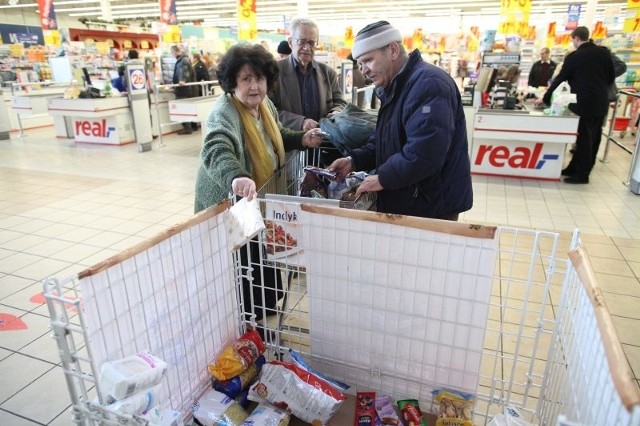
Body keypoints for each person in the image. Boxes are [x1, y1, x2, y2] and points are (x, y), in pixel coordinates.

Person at [194, 44, 324, 321]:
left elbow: (276, 133)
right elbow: (217, 147)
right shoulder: (225, 113)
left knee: (261, 257)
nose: (255, 86)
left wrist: (301, 139)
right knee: (244, 267)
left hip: (256, 200)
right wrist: (236, 175)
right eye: (246, 79)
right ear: (232, 83)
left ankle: (264, 308)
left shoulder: (264, 106)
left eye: (260, 78)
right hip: (231, 205)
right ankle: (249, 321)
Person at [327, 21, 472, 221]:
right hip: (411, 198)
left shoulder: (428, 84)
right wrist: (354, 161)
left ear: (393, 50)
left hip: (430, 206)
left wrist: (382, 178)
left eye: (368, 60)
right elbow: (384, 141)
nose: (364, 70)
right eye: (360, 64)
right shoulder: (396, 87)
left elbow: (425, 152)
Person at [535, 26, 614, 184]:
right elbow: (611, 76)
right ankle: (575, 167)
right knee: (594, 138)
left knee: (583, 139)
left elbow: (560, 79)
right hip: (600, 102)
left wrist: (546, 97)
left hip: (583, 103)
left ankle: (582, 175)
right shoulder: (604, 53)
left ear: (576, 38)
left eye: (573, 40)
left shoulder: (575, 57)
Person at [269, 18, 347, 133]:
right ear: (290, 42)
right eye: (302, 41)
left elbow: (340, 101)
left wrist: (335, 111)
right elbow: (268, 110)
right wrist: (301, 122)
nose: (307, 48)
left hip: (322, 143)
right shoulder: (274, 72)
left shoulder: (328, 72)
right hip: (289, 146)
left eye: (311, 43)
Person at [171, 45, 197, 135]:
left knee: (181, 108)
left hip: (183, 89)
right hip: (183, 88)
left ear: (175, 51)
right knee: (184, 108)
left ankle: (187, 128)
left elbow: (185, 71)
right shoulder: (182, 60)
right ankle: (189, 127)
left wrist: (182, 80)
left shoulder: (183, 60)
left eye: (172, 52)